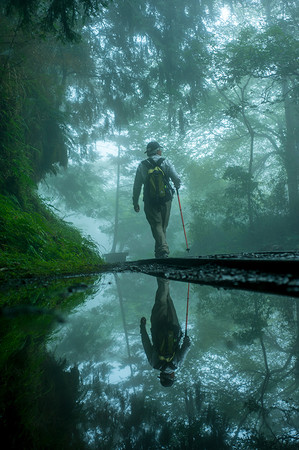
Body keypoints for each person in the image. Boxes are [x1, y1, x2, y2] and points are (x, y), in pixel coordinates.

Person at [132, 141, 181, 258]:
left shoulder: (142, 165)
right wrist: (177, 185)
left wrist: (135, 202)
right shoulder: (165, 161)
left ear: (148, 153)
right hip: (166, 199)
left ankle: (162, 251)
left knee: (156, 225)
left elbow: (137, 185)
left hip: (149, 200)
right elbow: (176, 178)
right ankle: (161, 251)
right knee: (162, 226)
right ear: (158, 150)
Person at [140, 277, 191, 387]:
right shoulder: (154, 363)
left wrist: (186, 340)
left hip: (174, 327)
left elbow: (187, 346)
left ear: (171, 376)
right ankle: (164, 276)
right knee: (162, 300)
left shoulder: (177, 364)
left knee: (167, 299)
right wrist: (142, 327)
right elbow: (146, 344)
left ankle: (164, 276)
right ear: (162, 376)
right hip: (157, 325)